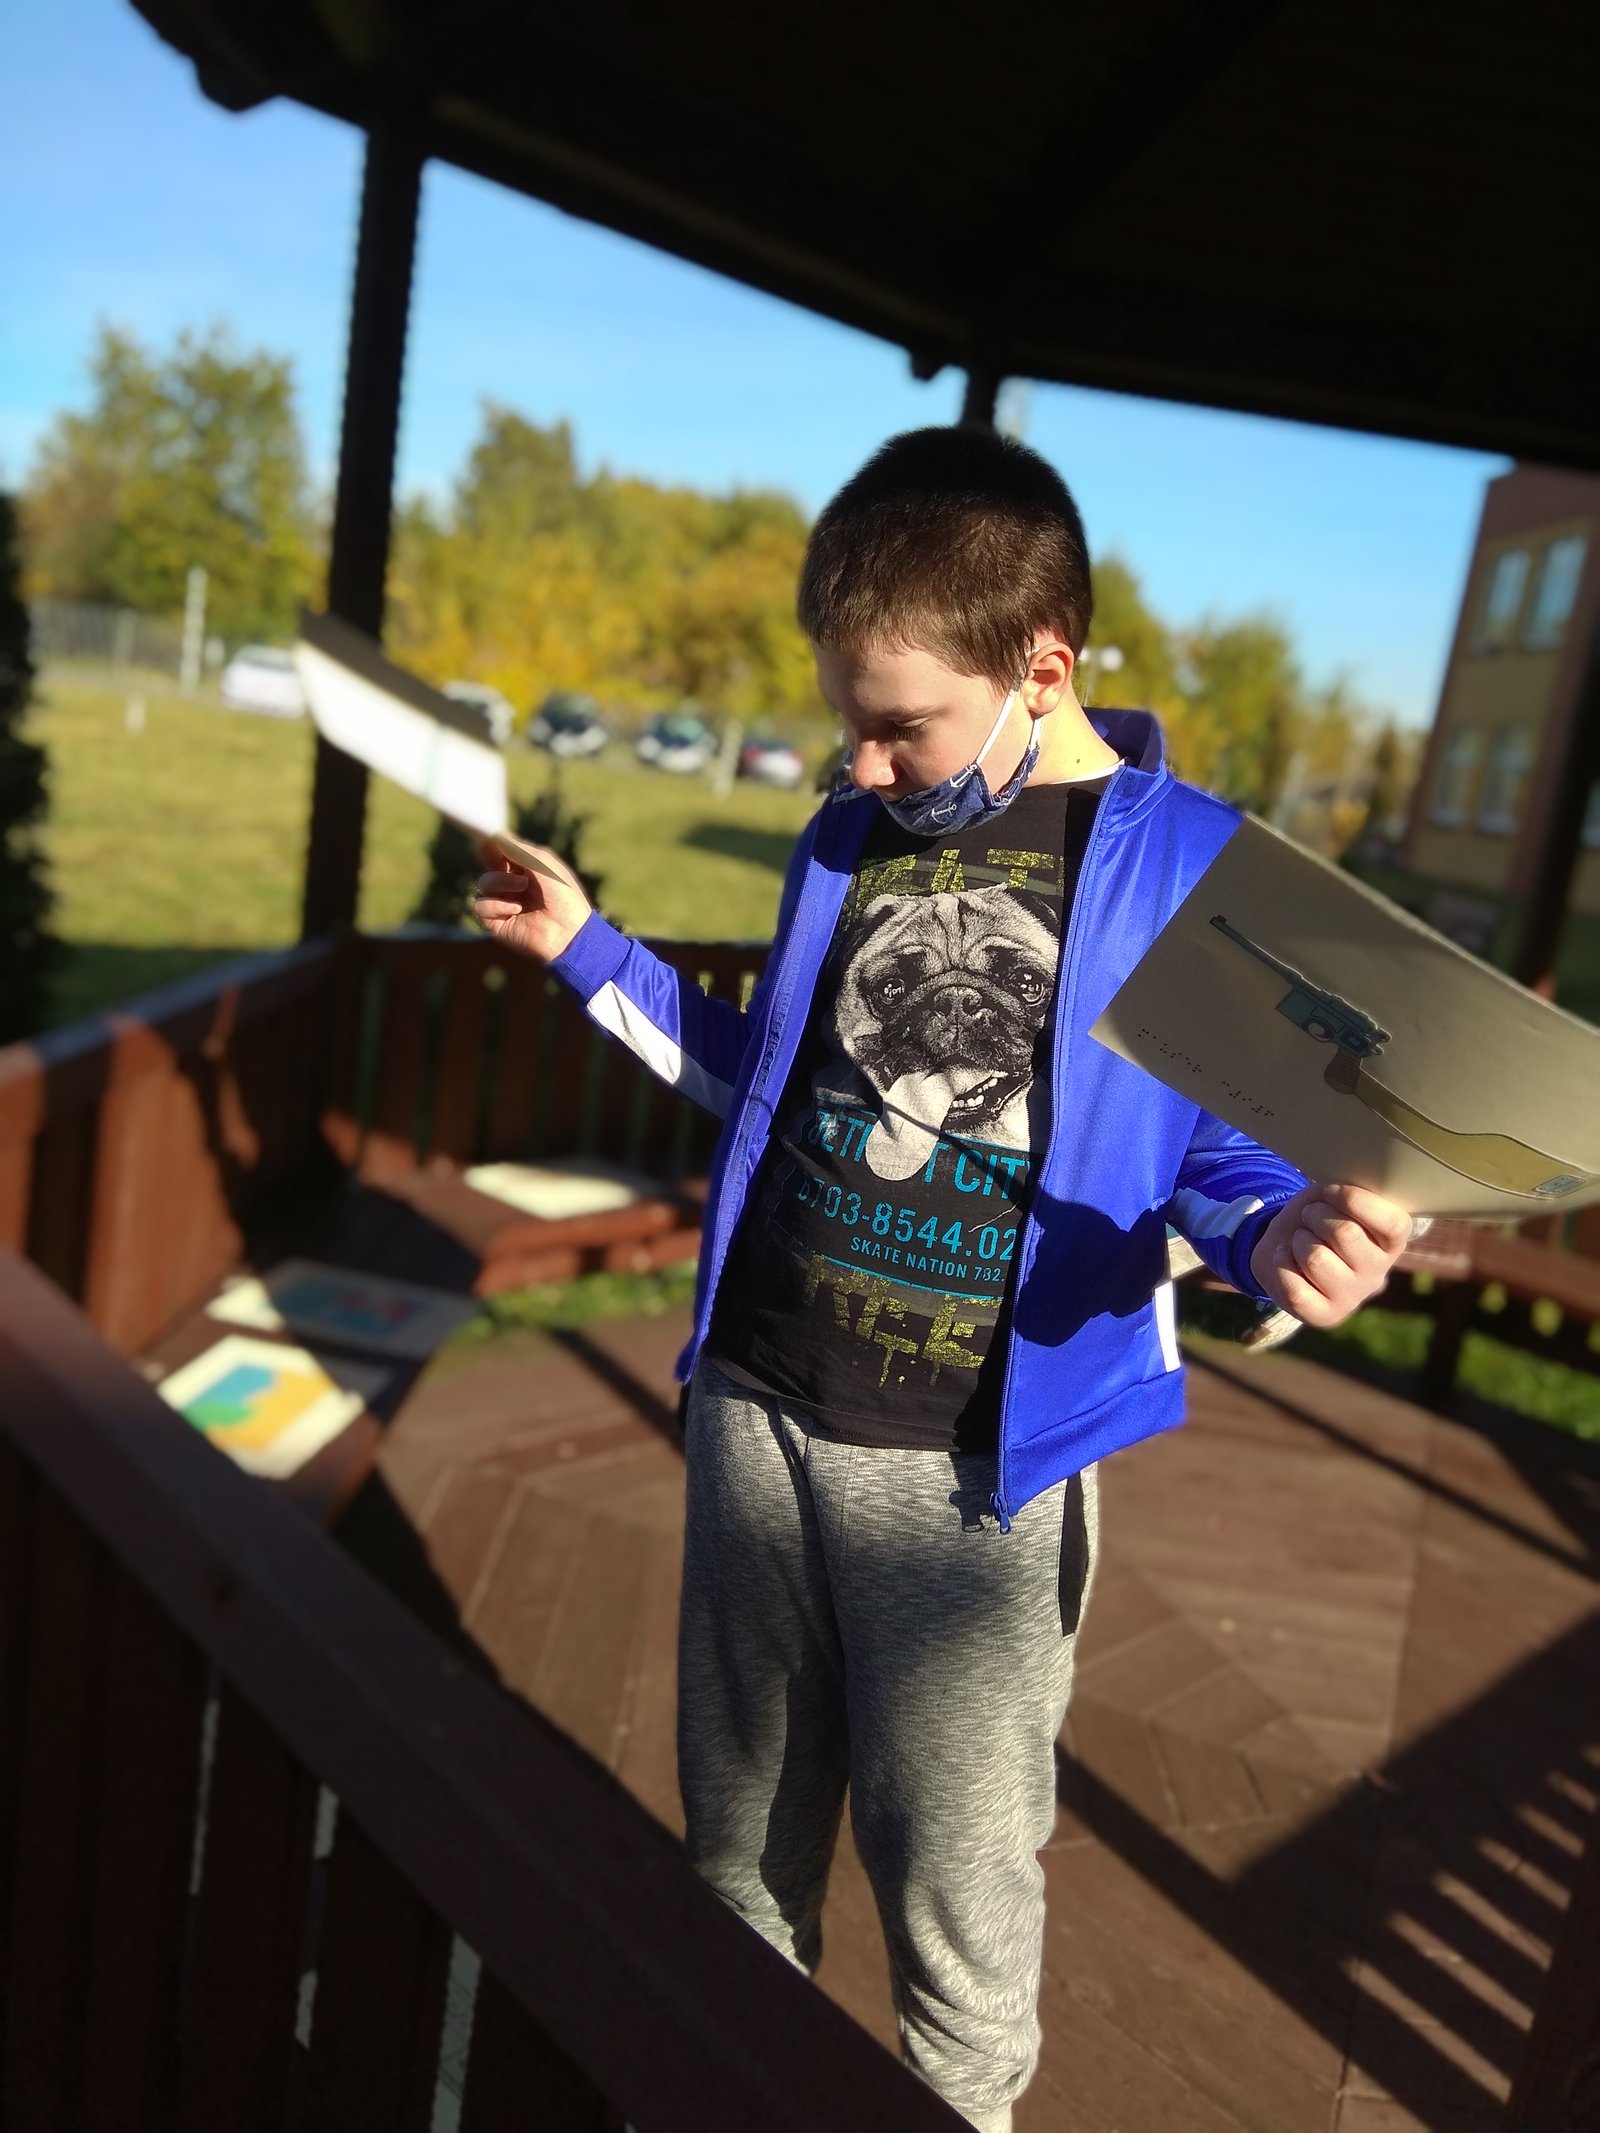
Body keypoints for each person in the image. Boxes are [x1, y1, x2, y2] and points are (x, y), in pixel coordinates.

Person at [473, 427, 1410, 2131]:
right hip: (757, 1412)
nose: (861, 759)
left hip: (976, 1480)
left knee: (957, 1900)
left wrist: (1279, 1234)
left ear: (1043, 666)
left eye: (900, 722)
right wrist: (585, 947)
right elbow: (773, 1077)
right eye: (847, 718)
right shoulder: (848, 833)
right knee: (737, 1861)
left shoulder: (1193, 868)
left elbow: (1224, 1155)